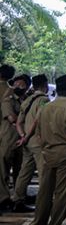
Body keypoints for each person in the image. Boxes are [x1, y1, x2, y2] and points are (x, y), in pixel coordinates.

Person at [30, 74, 66, 225]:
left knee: (45, 191)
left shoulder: (46, 107)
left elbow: (37, 133)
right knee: (63, 193)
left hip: (47, 152)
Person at [12, 74, 50, 213]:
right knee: (43, 173)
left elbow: (18, 122)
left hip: (26, 143)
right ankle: (43, 203)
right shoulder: (44, 100)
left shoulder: (27, 100)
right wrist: (27, 137)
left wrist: (22, 136)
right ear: (45, 85)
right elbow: (37, 120)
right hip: (37, 141)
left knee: (24, 171)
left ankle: (17, 199)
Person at [0, 73, 30, 210]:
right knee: (4, 168)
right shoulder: (9, 100)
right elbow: (11, 118)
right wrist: (22, 121)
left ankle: (18, 199)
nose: (18, 86)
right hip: (9, 138)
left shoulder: (26, 100)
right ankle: (4, 198)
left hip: (22, 139)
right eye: (16, 84)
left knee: (20, 170)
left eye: (22, 84)